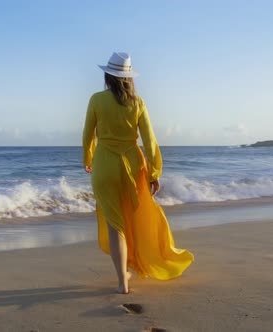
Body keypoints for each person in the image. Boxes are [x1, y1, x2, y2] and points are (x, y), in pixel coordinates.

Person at [82, 52, 194, 294]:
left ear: (107, 76)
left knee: (116, 226)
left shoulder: (96, 99)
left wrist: (88, 158)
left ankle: (122, 280)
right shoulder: (138, 103)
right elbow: (150, 140)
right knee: (134, 220)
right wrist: (154, 172)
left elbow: (88, 134)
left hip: (104, 166)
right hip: (133, 167)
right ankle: (133, 268)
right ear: (128, 77)